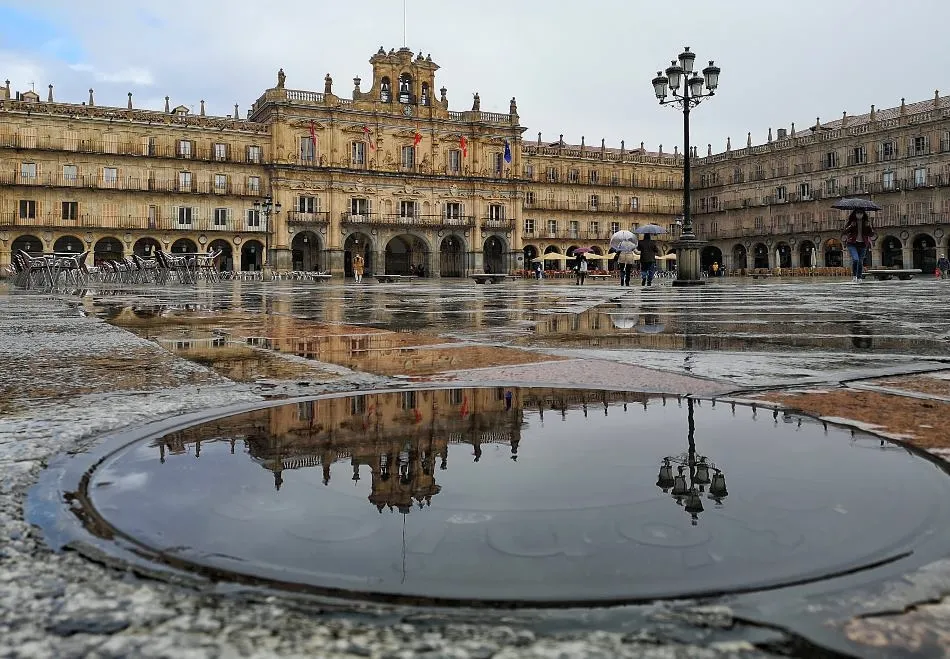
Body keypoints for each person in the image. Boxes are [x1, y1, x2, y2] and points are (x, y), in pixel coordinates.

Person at [842, 209, 876, 282]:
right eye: (858, 213)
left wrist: (868, 227)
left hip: (863, 244)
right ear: (855, 214)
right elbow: (844, 232)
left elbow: (871, 234)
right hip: (852, 243)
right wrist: (851, 226)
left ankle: (859, 277)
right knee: (856, 259)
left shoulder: (866, 223)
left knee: (860, 261)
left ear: (863, 214)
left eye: (861, 213)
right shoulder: (851, 222)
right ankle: (854, 276)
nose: (859, 215)